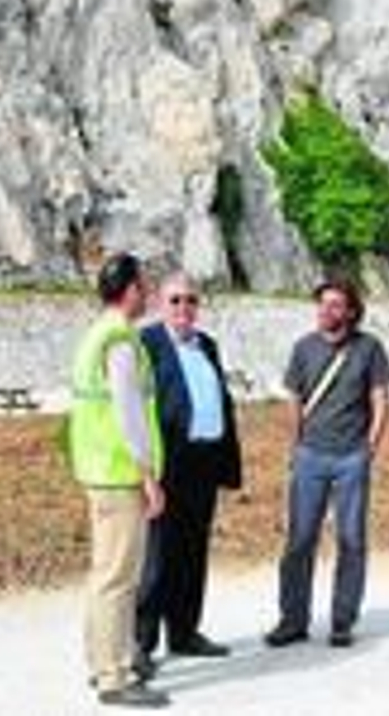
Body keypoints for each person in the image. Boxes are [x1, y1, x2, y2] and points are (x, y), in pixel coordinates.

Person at [265, 277, 389, 649]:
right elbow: (293, 400)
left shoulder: (370, 348)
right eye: (322, 305)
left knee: (351, 540)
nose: (326, 311)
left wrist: (370, 448)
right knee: (299, 540)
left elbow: (380, 398)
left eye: (336, 305)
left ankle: (342, 621)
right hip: (310, 455)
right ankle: (292, 620)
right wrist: (295, 446)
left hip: (352, 457)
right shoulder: (303, 348)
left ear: (351, 311)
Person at [67, 253, 170, 709]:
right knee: (119, 578)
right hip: (119, 472)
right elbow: (129, 413)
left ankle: (101, 660)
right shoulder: (121, 341)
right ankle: (114, 676)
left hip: (96, 470)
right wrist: (147, 473)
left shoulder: (95, 334)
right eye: (144, 286)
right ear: (129, 290)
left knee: (103, 573)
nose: (147, 294)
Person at [135, 271, 243, 665]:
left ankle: (184, 632)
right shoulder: (147, 343)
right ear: (161, 304)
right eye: (176, 300)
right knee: (158, 556)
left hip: (204, 462)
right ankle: (140, 643)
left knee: (193, 552)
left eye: (191, 300)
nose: (184, 308)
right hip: (168, 464)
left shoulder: (207, 345)